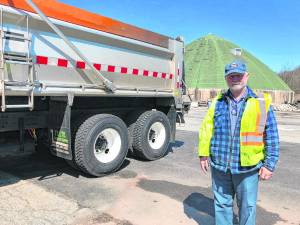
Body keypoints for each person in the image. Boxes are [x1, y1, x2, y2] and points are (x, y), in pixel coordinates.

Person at [198, 60, 279, 225]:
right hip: (220, 166)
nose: (235, 78)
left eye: (239, 75)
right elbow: (207, 129)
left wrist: (269, 164)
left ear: (246, 77)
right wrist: (203, 154)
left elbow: (271, 135)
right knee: (221, 205)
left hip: (247, 168)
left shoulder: (260, 103)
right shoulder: (217, 102)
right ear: (226, 78)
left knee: (247, 207)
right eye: (231, 75)